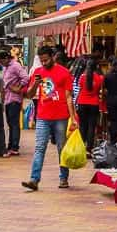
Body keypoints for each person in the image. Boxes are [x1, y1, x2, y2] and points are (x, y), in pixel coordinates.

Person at [21, 46, 78, 191]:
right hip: (43, 116)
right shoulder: (38, 72)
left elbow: (68, 96)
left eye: (46, 60)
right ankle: (34, 179)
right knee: (40, 147)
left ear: (53, 57)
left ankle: (63, 178)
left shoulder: (64, 73)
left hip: (61, 116)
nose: (44, 63)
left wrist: (73, 118)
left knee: (61, 148)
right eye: (42, 61)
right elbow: (29, 94)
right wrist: (35, 83)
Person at [0, 49, 28, 156]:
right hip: (7, 98)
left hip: (14, 98)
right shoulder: (6, 67)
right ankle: (10, 145)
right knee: (10, 123)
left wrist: (18, 88)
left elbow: (25, 77)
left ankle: (15, 146)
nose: (1, 64)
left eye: (2, 61)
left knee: (14, 124)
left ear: (6, 58)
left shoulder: (15, 65)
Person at [76, 56, 104, 155]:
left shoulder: (82, 77)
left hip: (82, 103)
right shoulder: (99, 78)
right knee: (92, 126)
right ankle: (89, 148)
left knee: (83, 125)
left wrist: (76, 103)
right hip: (94, 104)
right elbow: (100, 91)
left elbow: (79, 90)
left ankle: (82, 145)